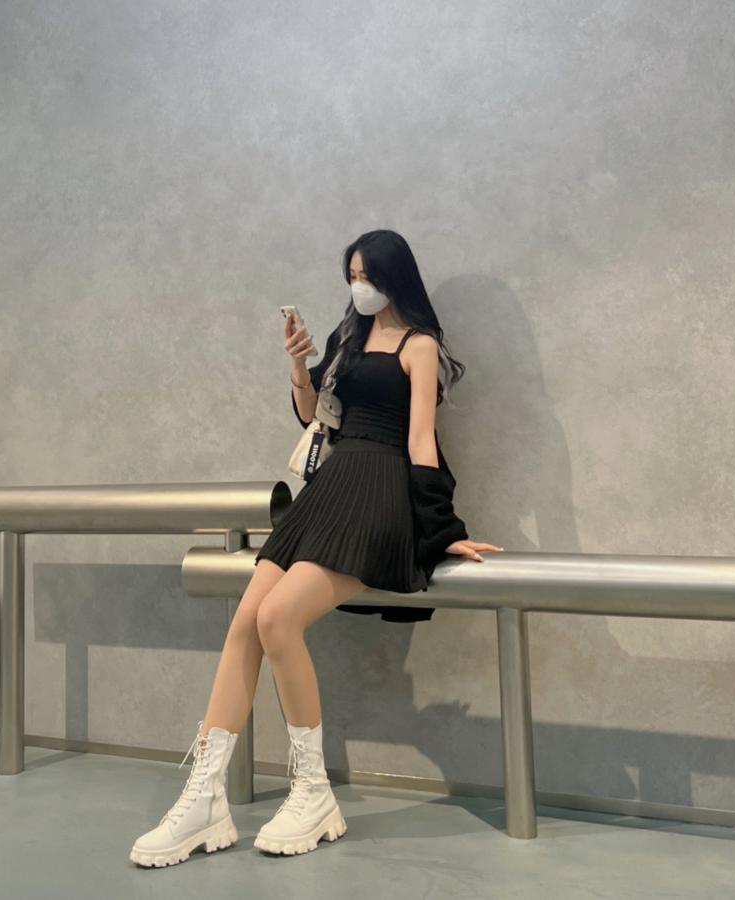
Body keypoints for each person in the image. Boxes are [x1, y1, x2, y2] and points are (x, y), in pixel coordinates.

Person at [129, 229, 503, 868]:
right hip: (330, 487)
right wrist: (299, 367)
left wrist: (442, 529)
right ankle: (203, 798)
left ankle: (312, 791)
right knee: (246, 623)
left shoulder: (419, 345)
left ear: (393, 277)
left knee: (278, 618)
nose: (358, 286)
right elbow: (314, 419)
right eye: (351, 275)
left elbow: (421, 442)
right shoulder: (347, 338)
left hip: (380, 491)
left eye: (367, 274)